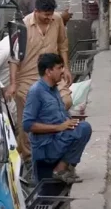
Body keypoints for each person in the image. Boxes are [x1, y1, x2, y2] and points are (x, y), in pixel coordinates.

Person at [8, 0, 72, 162]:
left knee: (65, 101)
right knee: (27, 110)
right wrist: (13, 84)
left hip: (52, 73)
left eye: (51, 14)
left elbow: (63, 46)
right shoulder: (21, 26)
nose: (48, 18)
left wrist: (66, 68)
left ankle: (56, 144)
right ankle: (30, 156)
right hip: (28, 75)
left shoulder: (57, 20)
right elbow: (14, 58)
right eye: (45, 15)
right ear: (36, 11)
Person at [23, 52, 91, 184]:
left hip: (58, 139)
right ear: (49, 71)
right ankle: (60, 169)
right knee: (83, 128)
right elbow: (27, 125)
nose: (63, 71)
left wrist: (68, 122)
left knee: (83, 128)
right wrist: (59, 127)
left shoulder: (53, 89)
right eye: (59, 68)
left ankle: (62, 168)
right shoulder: (36, 92)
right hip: (46, 145)